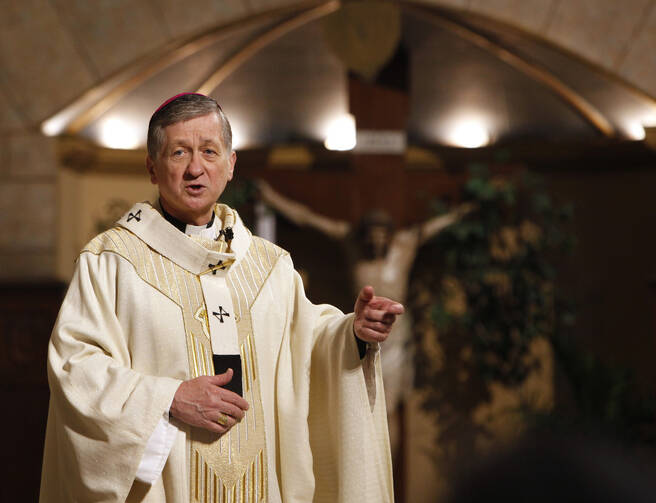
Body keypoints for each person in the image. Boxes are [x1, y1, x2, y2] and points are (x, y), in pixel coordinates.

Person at [40, 93, 403, 503]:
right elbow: (75, 366)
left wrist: (352, 334)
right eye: (179, 152)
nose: (196, 168)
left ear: (230, 165)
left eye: (209, 151)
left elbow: (308, 343)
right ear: (152, 168)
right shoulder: (112, 263)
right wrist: (169, 398)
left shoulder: (268, 265)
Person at [258, 181, 473, 454]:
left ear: (390, 235)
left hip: (396, 337)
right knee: (357, 404)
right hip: (358, 331)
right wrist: (272, 198)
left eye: (382, 235)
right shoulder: (351, 243)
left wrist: (465, 211)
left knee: (389, 407)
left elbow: (438, 227)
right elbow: (308, 219)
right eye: (371, 236)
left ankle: (387, 478)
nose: (376, 242)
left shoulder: (405, 244)